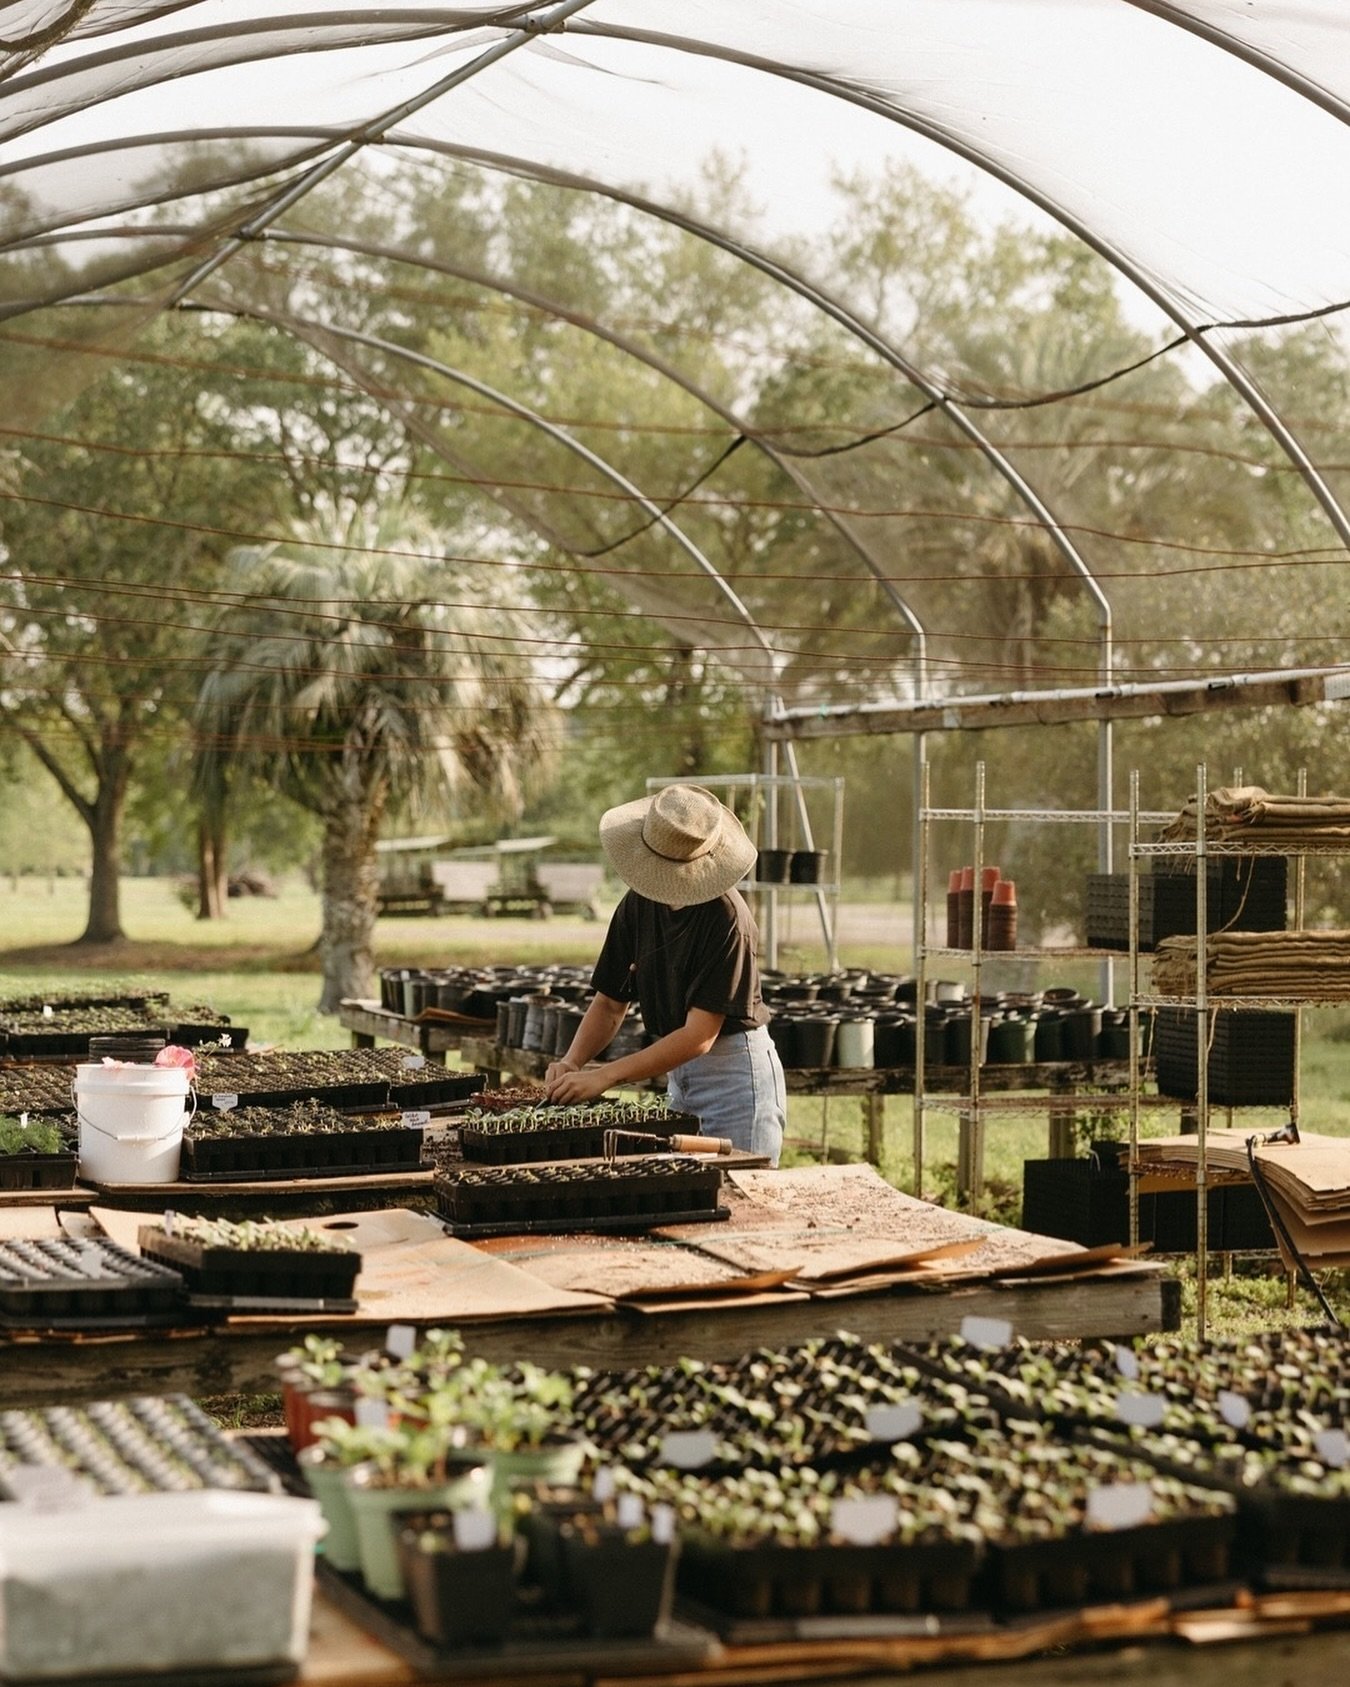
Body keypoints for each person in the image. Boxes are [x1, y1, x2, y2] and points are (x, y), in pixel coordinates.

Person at [543, 783, 785, 1164]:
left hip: (734, 1080)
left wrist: (605, 1075)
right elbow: (609, 1003)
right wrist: (573, 1061)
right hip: (680, 1075)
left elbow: (699, 1036)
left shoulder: (727, 919)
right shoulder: (638, 904)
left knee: (741, 1198)